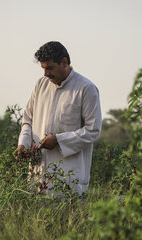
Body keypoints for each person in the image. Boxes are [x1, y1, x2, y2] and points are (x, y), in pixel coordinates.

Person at [15, 41, 102, 194]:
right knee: (35, 216)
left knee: (66, 217)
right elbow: (27, 120)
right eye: (43, 68)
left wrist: (59, 140)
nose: (45, 74)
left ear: (64, 62)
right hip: (38, 175)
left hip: (68, 177)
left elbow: (93, 130)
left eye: (50, 68)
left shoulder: (86, 89)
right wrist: (23, 144)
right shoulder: (41, 85)